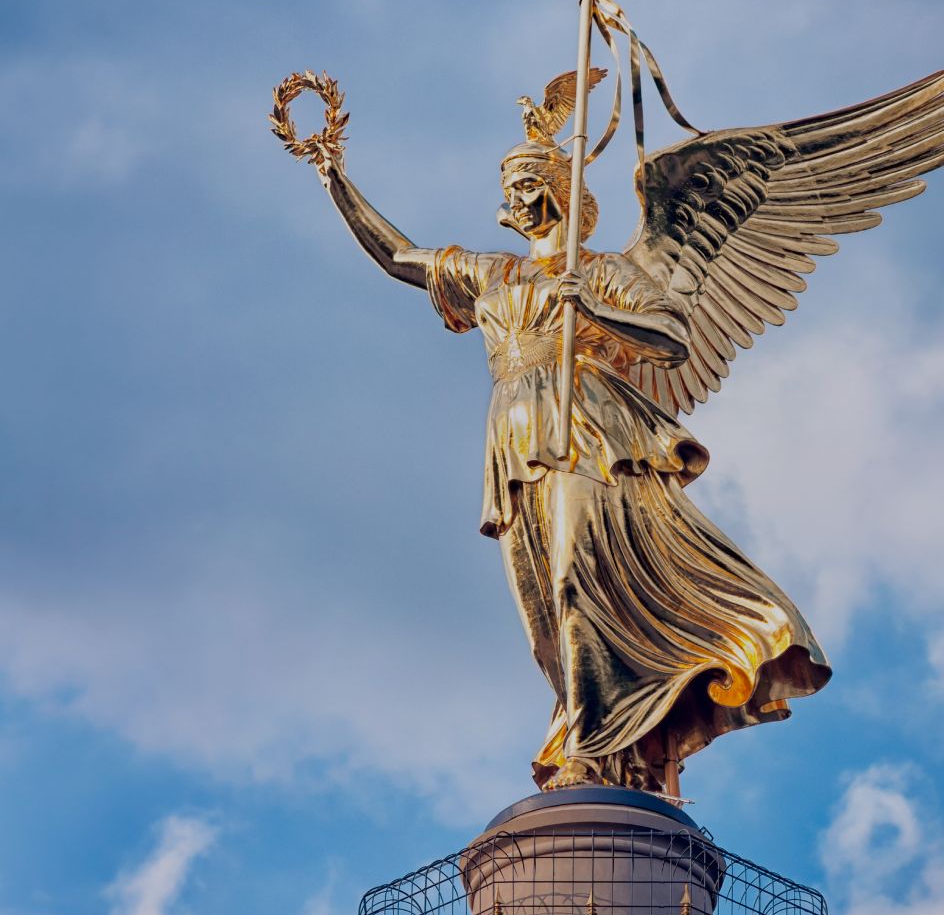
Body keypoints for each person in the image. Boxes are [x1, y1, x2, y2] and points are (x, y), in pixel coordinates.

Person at [317, 138, 830, 794]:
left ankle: (597, 746)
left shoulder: (605, 273)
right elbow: (397, 256)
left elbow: (670, 338)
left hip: (590, 433)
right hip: (514, 440)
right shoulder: (491, 275)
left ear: (562, 192)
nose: (513, 196)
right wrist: (335, 177)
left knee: (573, 581)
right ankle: (607, 743)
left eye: (528, 180)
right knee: (543, 620)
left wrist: (587, 308)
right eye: (510, 184)